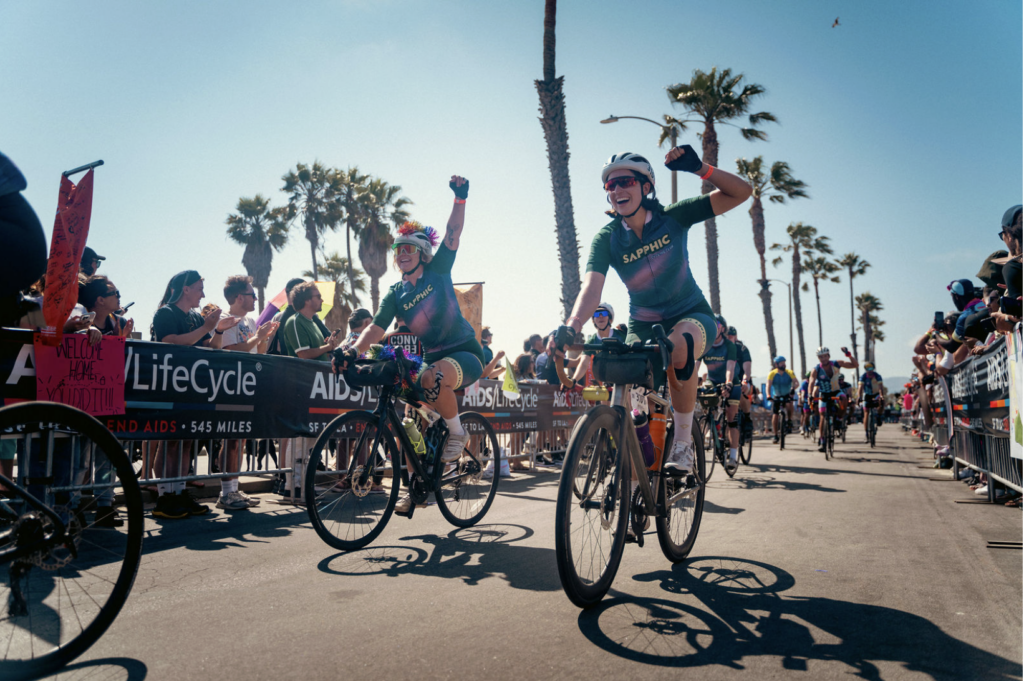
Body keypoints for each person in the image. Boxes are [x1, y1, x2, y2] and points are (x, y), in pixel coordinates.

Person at [556, 147, 751, 476]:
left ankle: (684, 442)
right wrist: (572, 325)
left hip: (690, 314)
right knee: (633, 390)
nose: (617, 190)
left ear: (647, 187)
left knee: (679, 344)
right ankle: (637, 472)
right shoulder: (608, 238)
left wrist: (701, 169)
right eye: (610, 186)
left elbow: (742, 192)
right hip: (643, 324)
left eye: (626, 182)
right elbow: (591, 289)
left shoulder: (673, 217)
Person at [342, 176, 484, 514]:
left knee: (432, 377)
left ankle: (457, 433)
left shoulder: (438, 270)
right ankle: (416, 485)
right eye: (398, 249)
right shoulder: (396, 293)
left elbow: (453, 233)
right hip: (430, 361)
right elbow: (376, 328)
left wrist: (460, 199)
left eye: (409, 249)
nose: (403, 253)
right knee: (406, 421)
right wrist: (352, 351)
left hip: (464, 353)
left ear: (422, 253)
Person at [149, 270, 240, 519]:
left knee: (185, 440)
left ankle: (179, 492)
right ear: (185, 289)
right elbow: (170, 341)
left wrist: (218, 331)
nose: (203, 293)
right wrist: (207, 328)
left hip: (192, 387)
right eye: (199, 288)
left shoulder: (194, 317)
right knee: (171, 441)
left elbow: (211, 347)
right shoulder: (165, 312)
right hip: (171, 384)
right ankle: (164, 496)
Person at [216, 275, 279, 510]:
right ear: (239, 297)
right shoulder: (224, 319)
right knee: (231, 439)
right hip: (231, 385)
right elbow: (231, 350)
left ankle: (234, 488)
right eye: (252, 295)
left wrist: (265, 338)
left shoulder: (250, 322)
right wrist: (258, 338)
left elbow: (257, 352)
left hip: (248, 385)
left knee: (239, 440)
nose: (255, 299)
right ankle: (226, 492)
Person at [700, 316, 741, 467]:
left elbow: (730, 368)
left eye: (716, 324)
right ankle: (712, 426)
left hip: (731, 382)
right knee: (707, 400)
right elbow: (696, 365)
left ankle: (733, 456)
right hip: (712, 380)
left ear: (722, 328)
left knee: (732, 419)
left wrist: (729, 383)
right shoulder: (704, 344)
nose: (714, 326)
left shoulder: (729, 345)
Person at [808, 346, 859, 452]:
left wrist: (848, 354)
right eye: (821, 357)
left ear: (829, 356)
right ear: (818, 358)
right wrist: (810, 395)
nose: (823, 359)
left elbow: (855, 365)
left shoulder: (836, 363)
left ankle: (840, 418)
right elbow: (811, 382)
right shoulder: (816, 369)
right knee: (822, 416)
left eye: (825, 356)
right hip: (824, 393)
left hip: (836, 391)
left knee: (844, 398)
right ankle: (822, 440)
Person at [571, 302, 626, 386]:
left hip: (625, 377)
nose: (600, 316)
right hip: (607, 381)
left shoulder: (622, 334)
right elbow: (583, 364)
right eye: (596, 314)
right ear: (593, 320)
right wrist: (573, 380)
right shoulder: (592, 341)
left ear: (610, 319)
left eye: (604, 313)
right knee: (605, 398)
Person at [726, 325, 754, 440]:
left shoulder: (742, 348)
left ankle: (747, 418)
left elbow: (747, 368)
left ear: (736, 336)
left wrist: (745, 381)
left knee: (742, 394)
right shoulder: (721, 347)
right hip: (727, 379)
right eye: (727, 335)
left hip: (741, 378)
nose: (729, 338)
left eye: (732, 336)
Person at [766, 356, 797, 444]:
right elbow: (768, 385)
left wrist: (793, 388)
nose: (784, 364)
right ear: (776, 364)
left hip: (787, 394)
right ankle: (775, 435)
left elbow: (796, 382)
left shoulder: (789, 372)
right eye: (781, 363)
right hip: (777, 396)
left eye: (784, 362)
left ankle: (789, 420)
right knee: (775, 415)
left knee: (789, 403)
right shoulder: (772, 373)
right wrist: (768, 395)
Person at [858, 362, 885, 441]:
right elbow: (860, 388)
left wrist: (881, 396)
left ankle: (879, 415)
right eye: (867, 368)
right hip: (867, 395)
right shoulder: (863, 377)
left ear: (873, 368)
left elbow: (880, 387)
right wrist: (859, 396)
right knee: (866, 413)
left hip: (876, 394)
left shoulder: (877, 376)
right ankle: (866, 432)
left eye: (871, 368)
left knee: (882, 402)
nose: (869, 370)